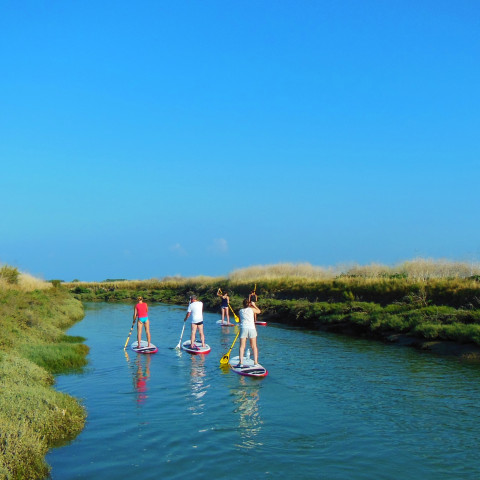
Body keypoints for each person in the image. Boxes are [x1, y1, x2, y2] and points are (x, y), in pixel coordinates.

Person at [237, 298, 261, 367]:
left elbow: (240, 320)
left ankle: (241, 362)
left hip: (243, 328)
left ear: (243, 304)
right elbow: (259, 311)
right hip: (251, 328)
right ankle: (255, 362)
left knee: (242, 346)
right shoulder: (252, 309)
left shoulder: (240, 311)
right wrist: (254, 305)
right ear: (249, 304)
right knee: (254, 346)